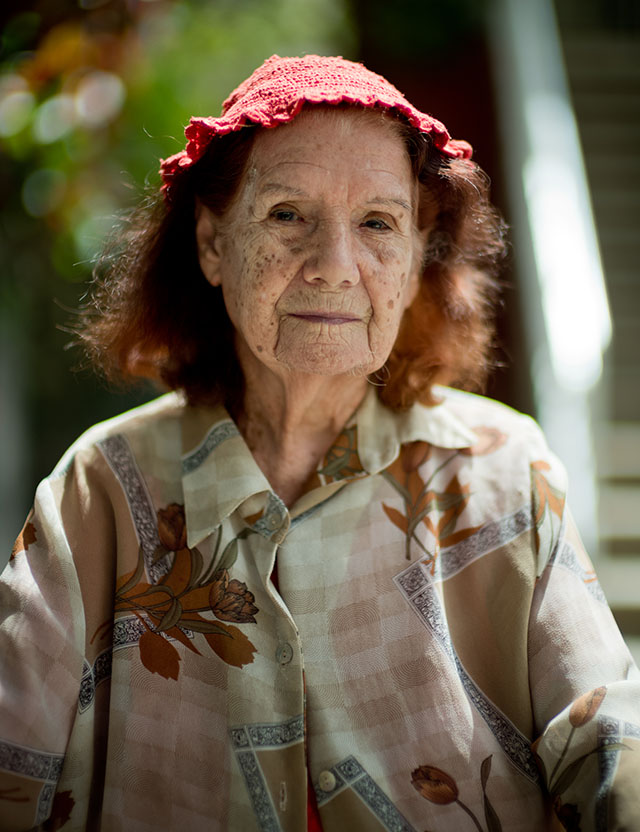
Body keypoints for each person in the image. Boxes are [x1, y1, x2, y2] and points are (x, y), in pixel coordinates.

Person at [1, 54, 638, 832]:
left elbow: (608, 740)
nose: (336, 267)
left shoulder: (503, 469)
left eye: (377, 223)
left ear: (412, 262)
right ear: (210, 242)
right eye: (287, 215)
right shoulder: (98, 488)